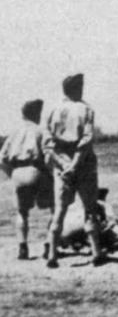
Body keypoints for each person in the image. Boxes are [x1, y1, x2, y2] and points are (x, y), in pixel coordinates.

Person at [43, 73, 107, 268]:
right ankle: (96, 252)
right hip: (84, 165)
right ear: (77, 88)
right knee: (90, 209)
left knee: (60, 210)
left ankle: (53, 254)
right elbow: (86, 140)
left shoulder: (52, 110)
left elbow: (47, 144)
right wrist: (76, 163)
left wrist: (63, 165)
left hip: (61, 165)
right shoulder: (86, 109)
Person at [0, 99, 53, 260]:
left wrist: (11, 174)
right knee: (54, 209)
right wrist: (51, 174)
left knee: (22, 213)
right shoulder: (41, 130)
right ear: (36, 113)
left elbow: (2, 159)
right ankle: (49, 246)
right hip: (36, 170)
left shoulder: (14, 132)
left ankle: (23, 248)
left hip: (17, 172)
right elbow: (49, 156)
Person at [58, 187, 118, 254]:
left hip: (63, 232)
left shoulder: (75, 205)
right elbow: (113, 221)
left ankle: (54, 246)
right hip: (85, 229)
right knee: (103, 227)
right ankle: (102, 246)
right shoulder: (102, 204)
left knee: (81, 231)